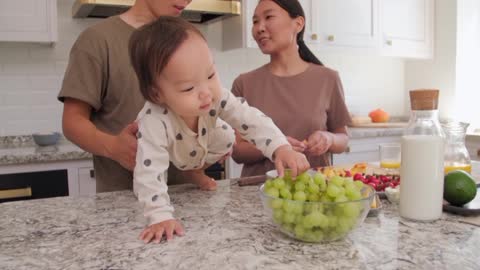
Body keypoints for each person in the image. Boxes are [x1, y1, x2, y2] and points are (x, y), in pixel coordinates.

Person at [129, 16, 310, 243]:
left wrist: (280, 147)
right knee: (148, 166)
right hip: (171, 153)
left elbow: (251, 119)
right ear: (157, 94)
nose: (206, 92)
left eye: (210, 75)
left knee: (227, 136)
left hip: (199, 148)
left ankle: (194, 171)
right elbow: (149, 171)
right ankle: (190, 172)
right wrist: (159, 216)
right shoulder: (154, 120)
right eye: (188, 88)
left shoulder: (215, 96)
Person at [57, 0, 193, 192]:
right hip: (122, 200)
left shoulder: (189, 36)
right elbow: (72, 122)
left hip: (188, 194)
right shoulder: (97, 40)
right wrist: (113, 147)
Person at [231, 0, 351, 177]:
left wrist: (328, 138)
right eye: (255, 21)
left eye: (269, 17)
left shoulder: (328, 78)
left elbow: (343, 139)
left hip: (313, 190)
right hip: (258, 192)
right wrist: (276, 145)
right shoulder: (244, 83)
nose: (259, 28)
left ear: (298, 23)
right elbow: (237, 152)